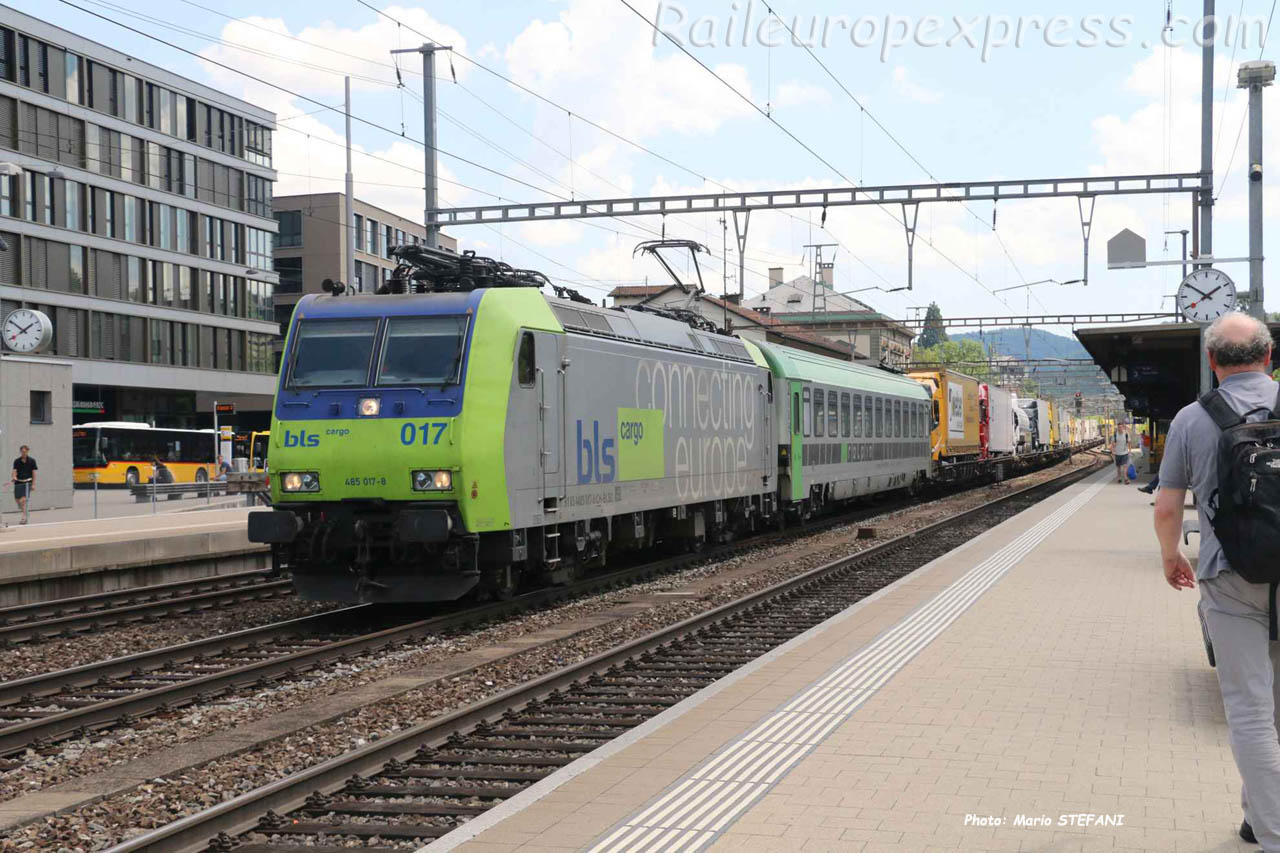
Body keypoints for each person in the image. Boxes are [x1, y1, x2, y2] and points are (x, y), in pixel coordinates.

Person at [1154, 312, 1280, 847]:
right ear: (1269, 356)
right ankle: (1257, 818)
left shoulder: (1191, 419)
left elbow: (1166, 506)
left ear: (1211, 362)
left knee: (1251, 711)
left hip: (1229, 578)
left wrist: (1169, 558)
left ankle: (1273, 830)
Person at [9, 445, 36, 525]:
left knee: (23, 500)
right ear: (20, 452)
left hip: (27, 482)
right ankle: (25, 511)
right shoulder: (16, 461)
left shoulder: (32, 461)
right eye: (22, 451)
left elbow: (34, 473)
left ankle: (24, 517)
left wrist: (33, 484)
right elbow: (14, 470)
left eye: (25, 451)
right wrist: (14, 476)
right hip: (18, 482)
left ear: (27, 451)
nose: (23, 453)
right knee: (17, 499)